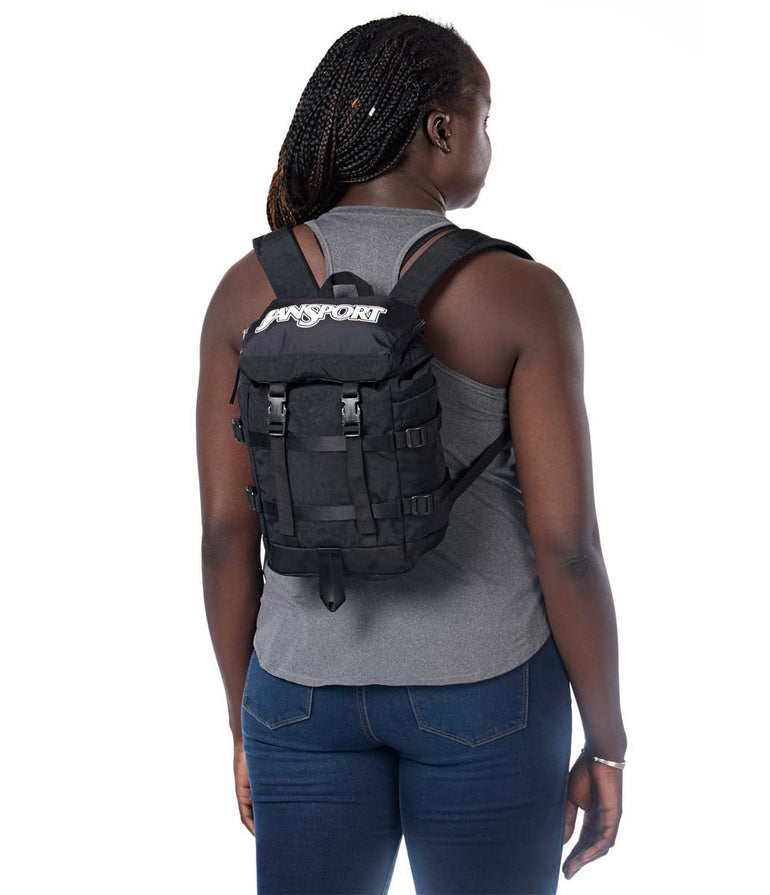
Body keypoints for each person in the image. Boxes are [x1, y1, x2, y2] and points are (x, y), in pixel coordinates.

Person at [196, 13, 626, 895]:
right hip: (486, 687)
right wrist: (608, 740)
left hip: (298, 690)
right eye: (485, 119)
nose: (487, 141)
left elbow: (225, 534)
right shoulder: (520, 294)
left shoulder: (245, 289)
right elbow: (569, 547)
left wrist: (248, 720)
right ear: (441, 129)